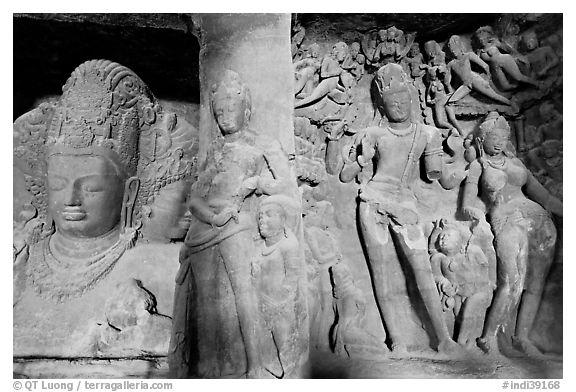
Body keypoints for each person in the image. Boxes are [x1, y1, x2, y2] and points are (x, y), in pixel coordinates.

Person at [13, 59, 191, 357]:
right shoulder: (18, 261)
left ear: (129, 191)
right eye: (57, 184)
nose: (71, 199)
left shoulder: (162, 265)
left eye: (91, 187)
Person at [169, 70, 291, 378]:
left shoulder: (264, 144)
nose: (224, 117)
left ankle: (255, 364)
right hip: (206, 228)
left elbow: (285, 184)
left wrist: (255, 183)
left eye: (230, 109)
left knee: (244, 292)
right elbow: (196, 195)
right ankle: (209, 368)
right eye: (218, 111)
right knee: (207, 300)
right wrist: (211, 217)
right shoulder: (216, 149)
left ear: (246, 110)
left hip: (238, 224)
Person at [339, 63, 460, 354]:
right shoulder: (373, 134)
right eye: (393, 102)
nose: (400, 106)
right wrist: (363, 159)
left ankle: (443, 338)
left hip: (405, 206)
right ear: (382, 103)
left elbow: (441, 178)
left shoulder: (427, 134)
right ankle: (396, 339)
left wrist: (457, 156)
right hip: (373, 203)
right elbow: (345, 175)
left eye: (404, 100)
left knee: (421, 269)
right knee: (383, 273)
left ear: (411, 98)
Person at [462, 112, 562, 356]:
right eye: (493, 137)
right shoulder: (479, 166)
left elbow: (545, 197)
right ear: (481, 138)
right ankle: (489, 336)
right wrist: (473, 212)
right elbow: (467, 201)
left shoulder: (518, 164)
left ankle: (522, 336)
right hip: (506, 220)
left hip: (538, 220)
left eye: (503, 137)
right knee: (510, 281)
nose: (498, 142)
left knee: (536, 283)